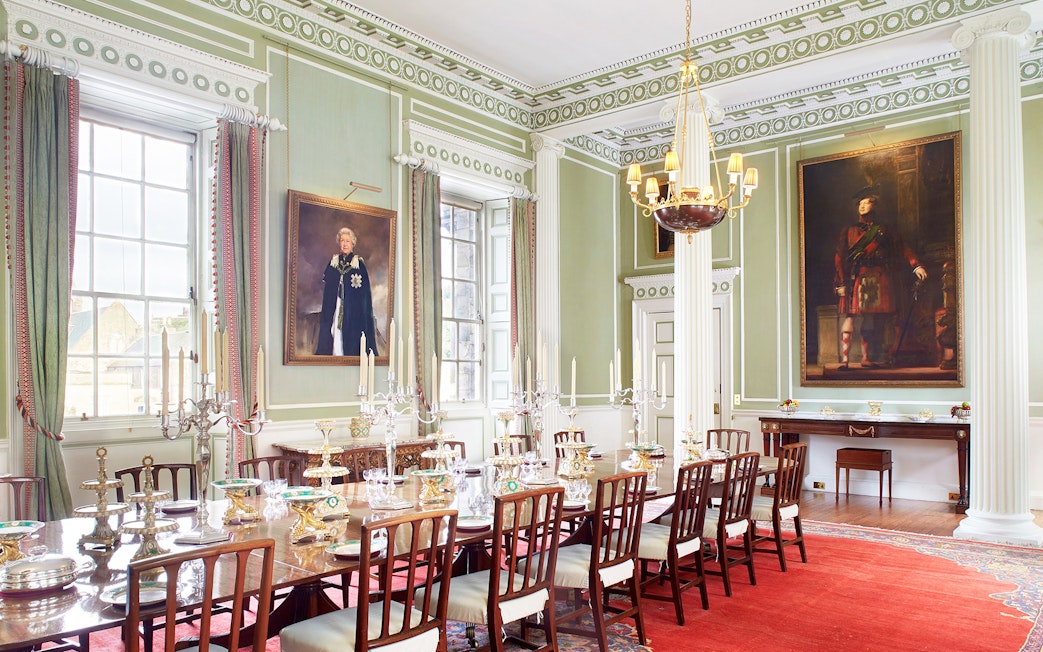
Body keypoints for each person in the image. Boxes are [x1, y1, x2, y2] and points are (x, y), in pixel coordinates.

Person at [834, 188, 927, 369]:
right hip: (856, 277)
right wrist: (840, 283)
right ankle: (845, 361)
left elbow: (903, 248)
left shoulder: (885, 230)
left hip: (878, 277)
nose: (862, 206)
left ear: (874, 205)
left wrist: (916, 265)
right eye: (859, 204)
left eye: (866, 202)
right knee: (850, 316)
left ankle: (865, 358)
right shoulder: (849, 231)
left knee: (870, 319)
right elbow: (839, 257)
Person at [315, 227, 377, 356]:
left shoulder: (358, 264)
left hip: (352, 310)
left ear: (352, 243)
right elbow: (328, 289)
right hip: (335, 305)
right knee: (334, 329)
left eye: (347, 241)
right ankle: (335, 354)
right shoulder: (333, 263)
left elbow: (364, 295)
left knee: (348, 331)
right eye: (342, 240)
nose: (344, 244)